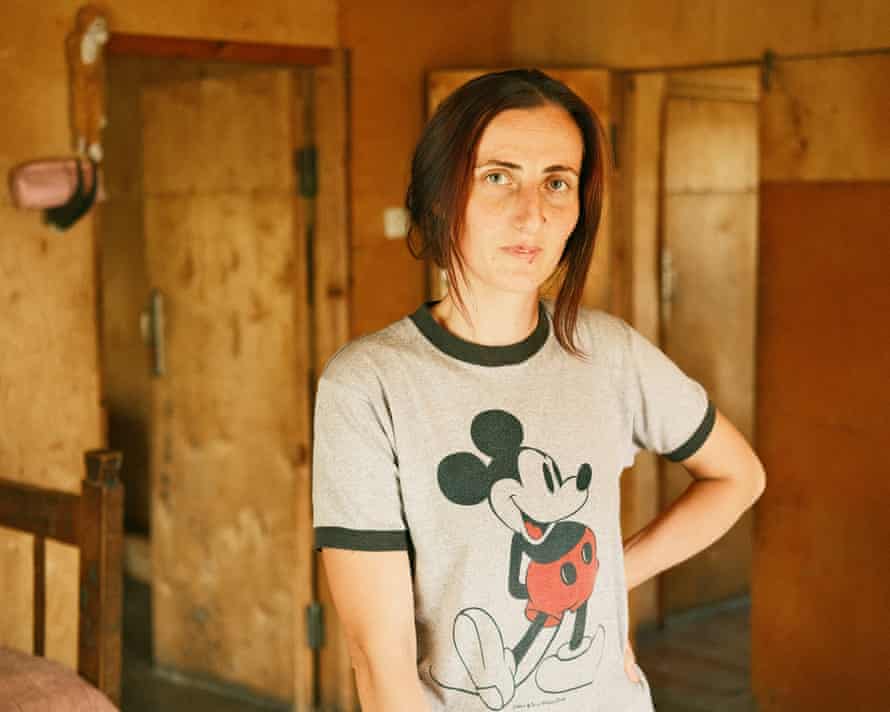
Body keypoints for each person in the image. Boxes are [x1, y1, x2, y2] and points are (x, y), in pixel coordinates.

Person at [311, 69, 766, 712]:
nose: (533, 213)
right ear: (442, 197)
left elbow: (738, 477)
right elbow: (380, 673)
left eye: (558, 181)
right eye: (498, 176)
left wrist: (605, 580)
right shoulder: (369, 386)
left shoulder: (608, 352)